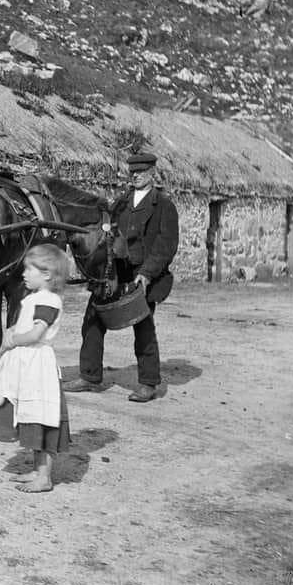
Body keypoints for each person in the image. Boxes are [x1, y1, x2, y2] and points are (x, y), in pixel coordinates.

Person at [63, 151, 180, 403]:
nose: (136, 175)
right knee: (92, 319)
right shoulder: (121, 203)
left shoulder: (164, 205)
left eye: (141, 172)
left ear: (152, 173)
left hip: (141, 275)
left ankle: (149, 383)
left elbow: (166, 246)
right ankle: (90, 375)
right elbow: (107, 233)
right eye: (133, 172)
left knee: (143, 327)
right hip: (114, 272)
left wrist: (147, 274)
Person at [0, 243, 71, 493]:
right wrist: (13, 332)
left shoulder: (49, 300)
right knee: (31, 416)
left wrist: (13, 340)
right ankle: (37, 470)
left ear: (47, 274)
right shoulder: (34, 298)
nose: (23, 274)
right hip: (27, 365)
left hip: (38, 366)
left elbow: (36, 333)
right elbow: (26, 327)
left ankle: (45, 477)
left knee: (43, 417)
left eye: (29, 269)